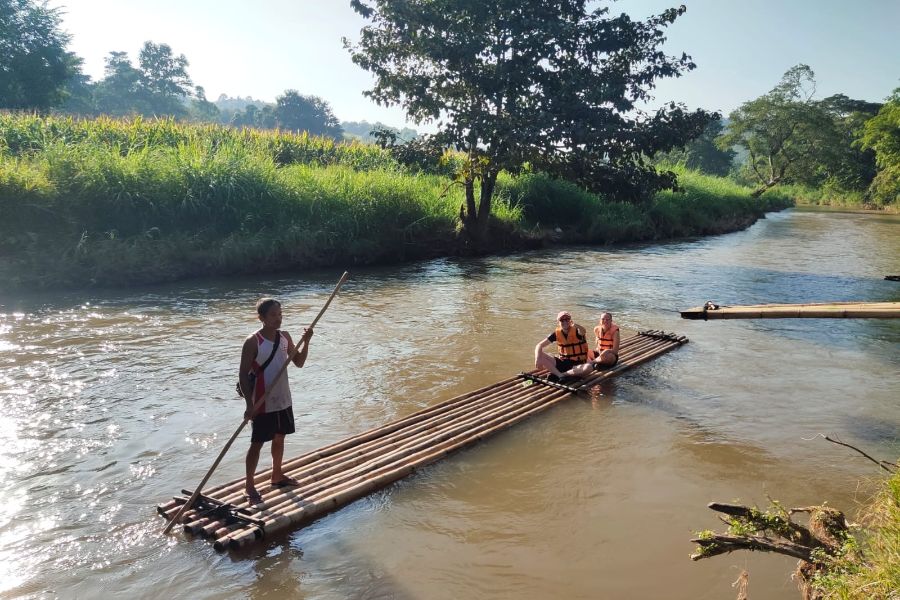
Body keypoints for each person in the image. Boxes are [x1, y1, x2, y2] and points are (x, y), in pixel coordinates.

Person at [238, 298, 313, 503]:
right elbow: (243, 375)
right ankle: (249, 485)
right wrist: (249, 405)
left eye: (280, 314)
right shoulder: (253, 341)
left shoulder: (285, 337)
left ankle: (277, 475)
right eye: (273, 315)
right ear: (261, 318)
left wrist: (306, 342)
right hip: (262, 401)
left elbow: (299, 362)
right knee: (257, 443)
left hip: (283, 398)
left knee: (280, 437)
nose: (278, 319)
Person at [534, 311, 590, 381]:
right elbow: (539, 345)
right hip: (563, 363)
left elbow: (583, 331)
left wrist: (576, 325)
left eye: (567, 319)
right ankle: (560, 375)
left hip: (577, 365)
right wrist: (537, 359)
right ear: (559, 322)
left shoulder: (577, 331)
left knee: (588, 367)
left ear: (570, 321)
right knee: (540, 354)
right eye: (562, 320)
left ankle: (563, 374)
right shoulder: (556, 333)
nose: (565, 322)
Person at [562, 312, 620, 378]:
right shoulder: (597, 329)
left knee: (607, 356)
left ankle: (591, 363)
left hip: (610, 356)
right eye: (603, 319)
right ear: (600, 320)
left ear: (611, 321)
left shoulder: (615, 332)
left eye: (607, 319)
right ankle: (594, 364)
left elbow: (615, 351)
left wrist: (606, 351)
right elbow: (597, 345)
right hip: (599, 354)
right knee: (584, 352)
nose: (605, 321)